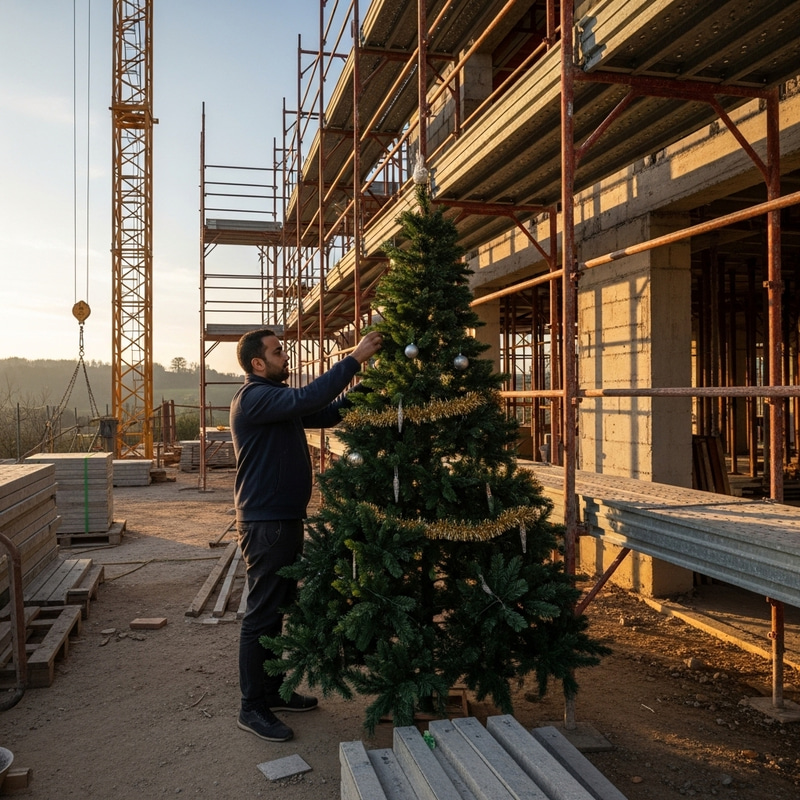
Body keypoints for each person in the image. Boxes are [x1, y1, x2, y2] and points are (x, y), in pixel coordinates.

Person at [230, 327, 382, 742]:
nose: (286, 357)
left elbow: (327, 412)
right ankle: (251, 707)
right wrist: (354, 359)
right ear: (257, 363)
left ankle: (271, 691)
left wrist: (371, 385)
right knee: (261, 614)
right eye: (278, 352)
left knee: (276, 610)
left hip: (283, 519)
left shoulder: (276, 402)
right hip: (266, 523)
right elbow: (307, 398)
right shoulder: (255, 398)